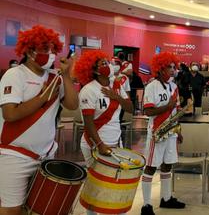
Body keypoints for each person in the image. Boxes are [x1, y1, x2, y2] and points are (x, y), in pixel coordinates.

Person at [0, 25, 78, 215]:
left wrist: (66, 76)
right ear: (29, 50)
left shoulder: (55, 77)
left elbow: (72, 104)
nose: (50, 54)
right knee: (12, 210)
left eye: (53, 50)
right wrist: (43, 97)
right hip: (14, 155)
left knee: (39, 207)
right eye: (45, 49)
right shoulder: (15, 74)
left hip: (45, 155)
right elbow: (10, 114)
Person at [75, 52, 133, 215]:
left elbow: (131, 109)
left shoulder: (117, 85)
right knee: (95, 187)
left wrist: (117, 97)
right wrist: (100, 144)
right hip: (94, 144)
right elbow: (88, 123)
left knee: (116, 185)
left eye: (106, 62)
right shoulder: (88, 90)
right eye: (101, 64)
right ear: (93, 70)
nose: (107, 65)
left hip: (116, 143)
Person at [141, 52, 186, 215]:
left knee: (168, 164)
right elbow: (148, 111)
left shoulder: (174, 87)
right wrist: (168, 106)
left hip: (171, 132)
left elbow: (177, 110)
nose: (173, 70)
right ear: (160, 69)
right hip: (157, 133)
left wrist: (178, 130)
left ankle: (166, 198)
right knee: (151, 166)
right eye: (169, 67)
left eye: (174, 67)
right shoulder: (152, 86)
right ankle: (146, 205)